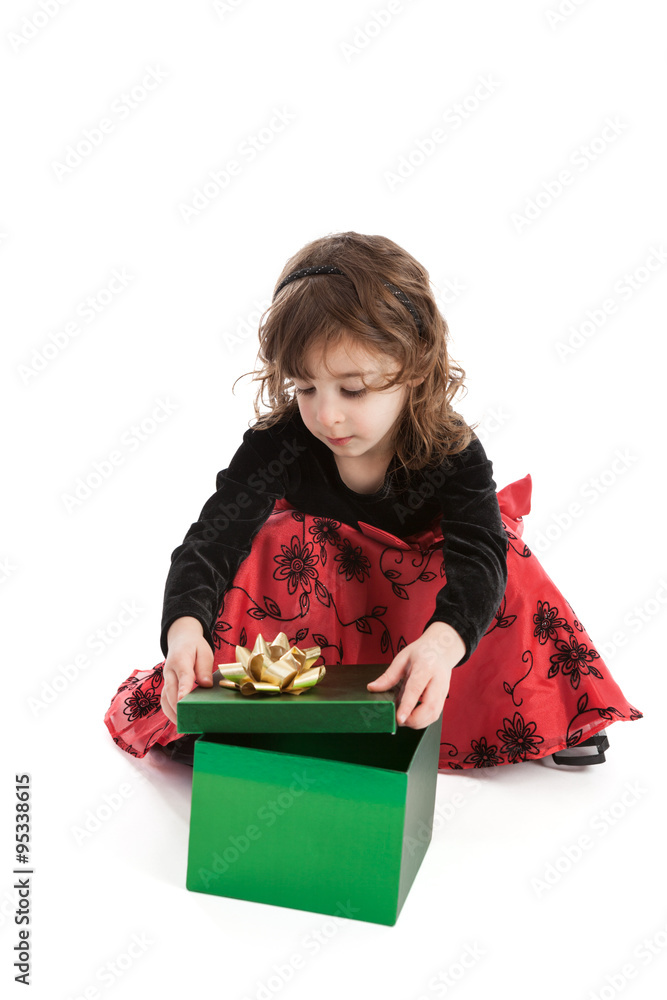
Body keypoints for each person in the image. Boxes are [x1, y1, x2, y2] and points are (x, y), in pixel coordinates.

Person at [103, 231, 642, 770]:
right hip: (329, 609)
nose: (327, 415)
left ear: (414, 370)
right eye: (306, 388)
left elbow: (478, 556)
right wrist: (185, 631)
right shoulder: (279, 444)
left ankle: (544, 715)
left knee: (508, 563)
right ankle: (245, 713)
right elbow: (211, 541)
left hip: (420, 609)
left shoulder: (451, 449)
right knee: (272, 541)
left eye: (353, 389)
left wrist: (442, 643)